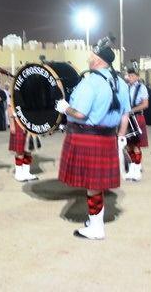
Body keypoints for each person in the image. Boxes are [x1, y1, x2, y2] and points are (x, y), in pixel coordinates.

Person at [55, 36, 130, 240]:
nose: (88, 58)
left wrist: (64, 108)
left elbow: (80, 113)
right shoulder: (121, 83)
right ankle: (95, 221)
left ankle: (96, 228)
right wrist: (121, 137)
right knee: (97, 184)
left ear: (97, 60)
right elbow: (125, 113)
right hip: (108, 137)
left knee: (92, 187)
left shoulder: (92, 81)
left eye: (91, 55)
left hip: (88, 137)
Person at [124, 68, 149, 181]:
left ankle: (137, 170)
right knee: (128, 144)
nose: (130, 77)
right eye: (129, 75)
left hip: (137, 117)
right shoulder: (126, 87)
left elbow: (145, 104)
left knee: (136, 146)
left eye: (133, 75)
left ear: (138, 76)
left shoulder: (141, 87)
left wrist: (132, 110)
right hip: (127, 118)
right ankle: (132, 169)